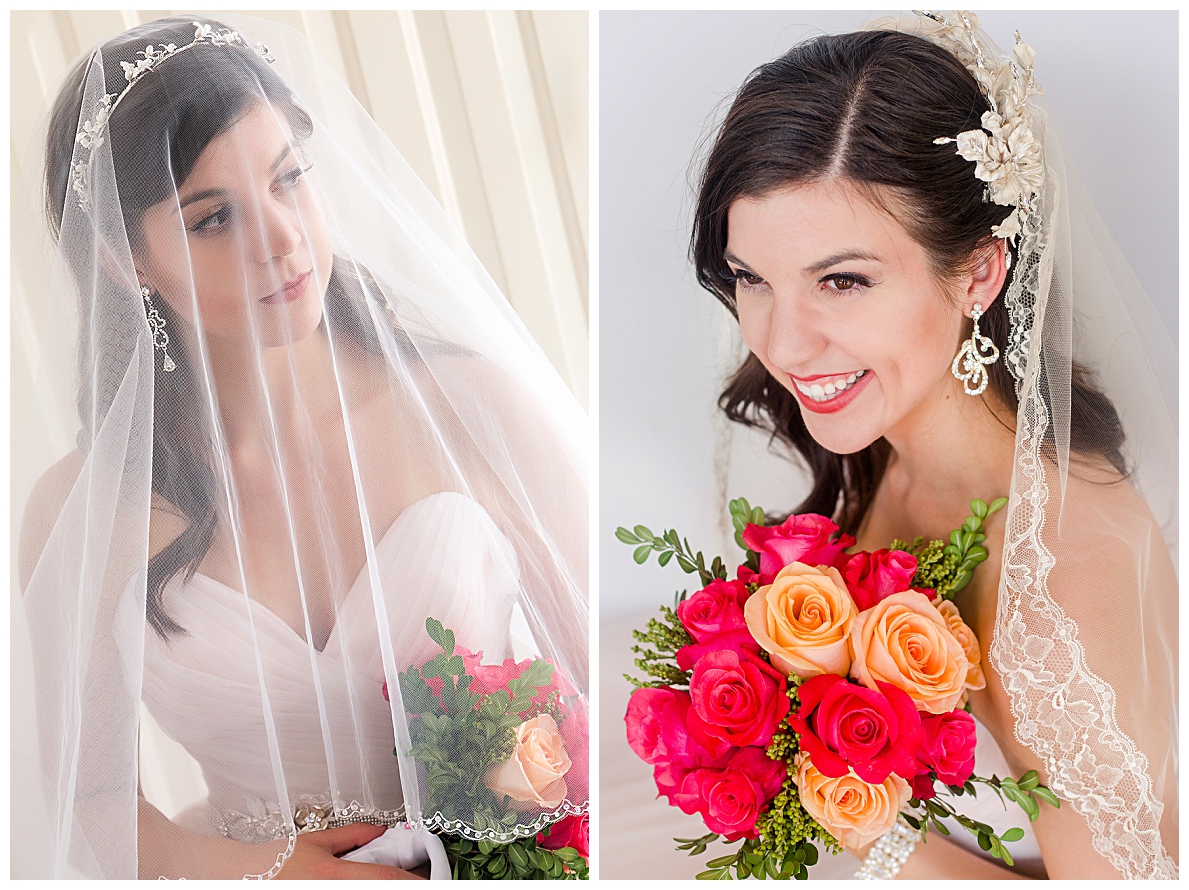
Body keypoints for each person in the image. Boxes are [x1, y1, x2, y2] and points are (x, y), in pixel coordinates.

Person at [14, 14, 588, 880]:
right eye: (213, 219)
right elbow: (82, 802)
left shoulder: (474, 409)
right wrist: (278, 870)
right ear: (125, 258)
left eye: (289, 181)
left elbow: (620, 708)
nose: (280, 240)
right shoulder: (85, 512)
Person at [681, 12, 1176, 881]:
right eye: (750, 277)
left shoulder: (1059, 577)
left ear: (979, 272)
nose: (785, 345)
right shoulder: (879, 438)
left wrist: (846, 810)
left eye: (842, 281)